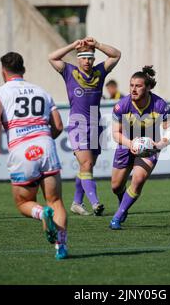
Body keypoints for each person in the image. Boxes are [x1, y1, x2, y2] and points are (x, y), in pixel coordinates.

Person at [0, 52, 68, 259]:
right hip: (45, 144)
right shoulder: (42, 91)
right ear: (23, 70)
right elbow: (58, 125)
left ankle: (41, 214)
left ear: (3, 72)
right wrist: (46, 139)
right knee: (55, 200)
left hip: (21, 149)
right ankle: (61, 247)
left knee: (24, 203)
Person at [48, 37, 121, 216]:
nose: (87, 61)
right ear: (78, 59)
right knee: (87, 164)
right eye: (83, 57)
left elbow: (116, 55)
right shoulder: (69, 71)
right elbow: (52, 57)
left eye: (90, 58)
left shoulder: (99, 72)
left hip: (96, 124)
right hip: (78, 123)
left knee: (88, 165)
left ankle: (76, 202)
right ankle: (95, 203)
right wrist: (73, 45)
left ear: (94, 59)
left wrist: (97, 45)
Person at [109, 66, 170, 230]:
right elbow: (115, 134)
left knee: (138, 180)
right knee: (116, 186)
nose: (133, 89)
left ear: (148, 88)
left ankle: (117, 218)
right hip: (126, 144)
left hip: (149, 147)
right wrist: (130, 143)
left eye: (138, 86)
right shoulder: (122, 106)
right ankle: (122, 200)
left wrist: (158, 145)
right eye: (131, 85)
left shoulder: (160, 105)